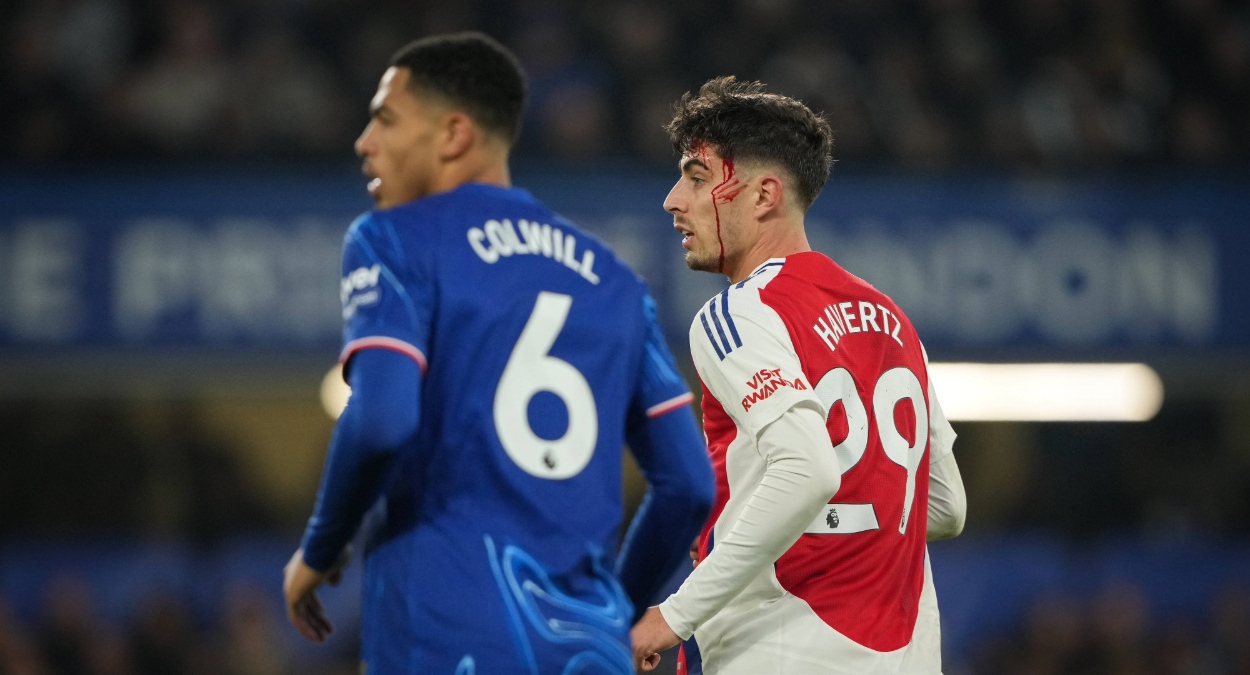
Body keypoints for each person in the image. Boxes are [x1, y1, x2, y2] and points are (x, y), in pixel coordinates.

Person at [281, 32, 715, 675]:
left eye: (386, 118)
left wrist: (317, 551)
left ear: (454, 135)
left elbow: (380, 420)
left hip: (448, 628)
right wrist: (612, 616)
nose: (364, 141)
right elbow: (687, 486)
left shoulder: (394, 239)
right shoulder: (614, 281)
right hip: (588, 650)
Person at [631, 77, 967, 674]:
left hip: (781, 652)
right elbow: (942, 506)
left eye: (698, 176)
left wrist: (672, 616)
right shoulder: (891, 318)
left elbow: (807, 469)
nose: (673, 199)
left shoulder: (738, 313)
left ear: (763, 196)